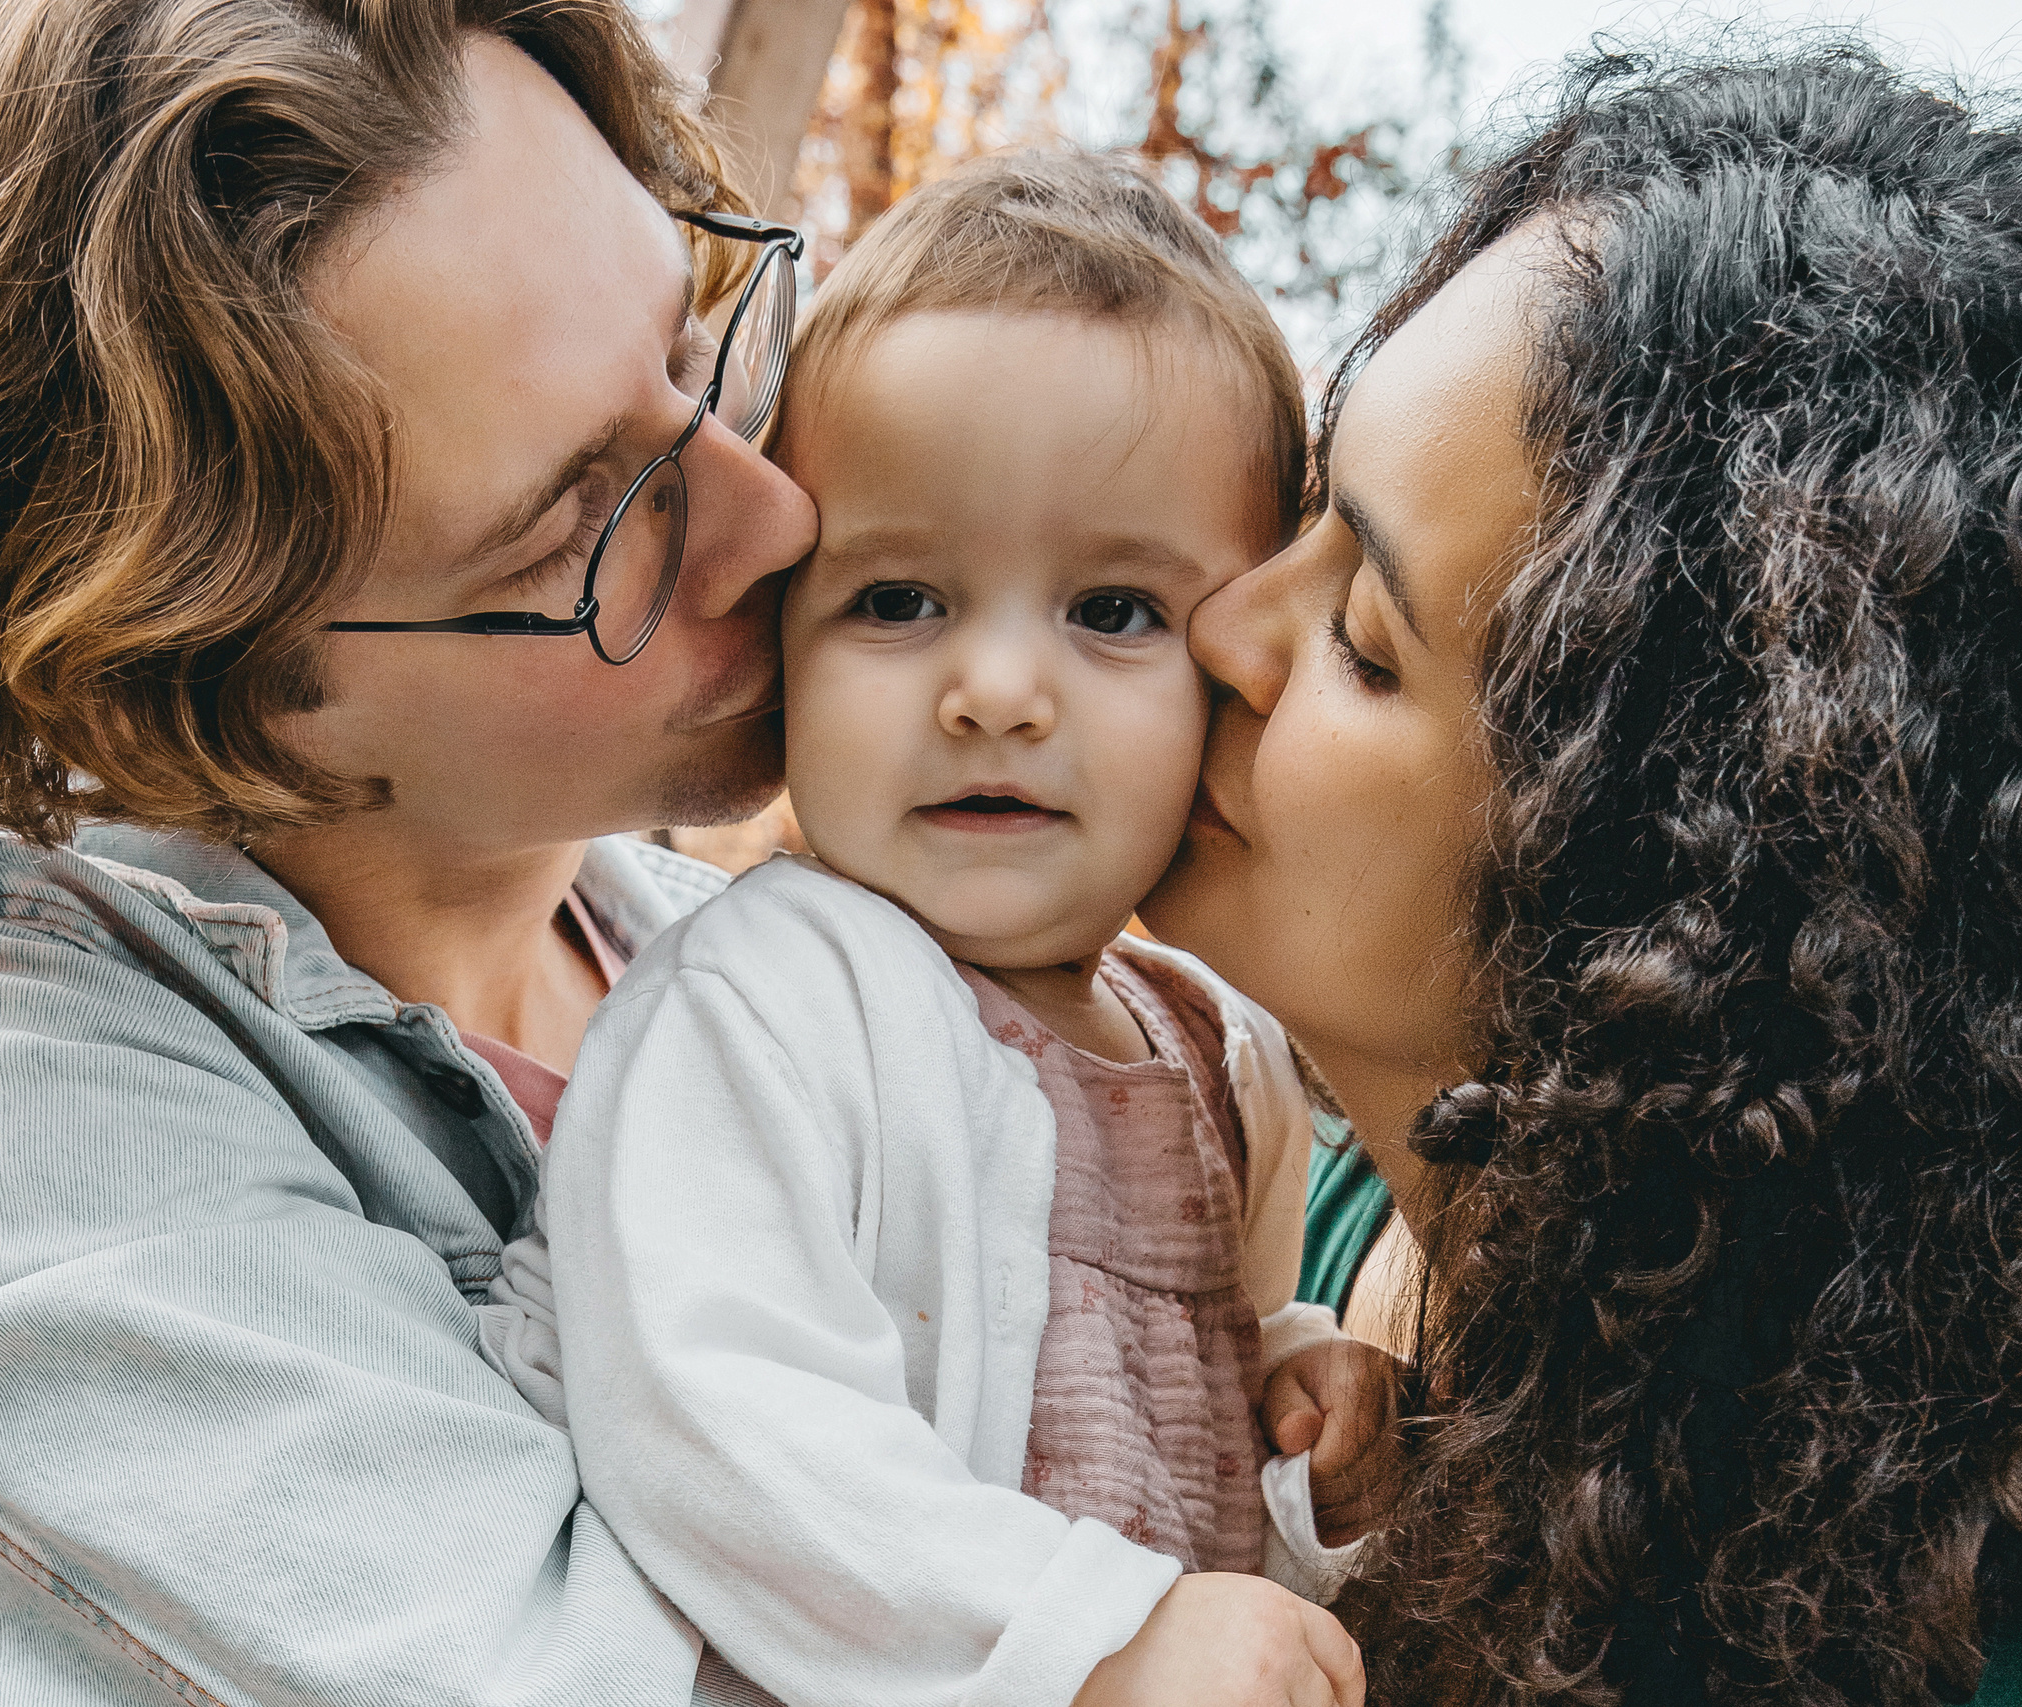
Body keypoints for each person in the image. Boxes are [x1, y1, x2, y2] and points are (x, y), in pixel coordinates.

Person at [0, 0, 1358, 1700]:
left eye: (696, 348)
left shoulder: (826, 964)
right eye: (585, 522)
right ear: (196, 674)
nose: (781, 509)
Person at [1137, 45, 2022, 1706]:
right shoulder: (1260, 1189)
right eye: (1307, 512)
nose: (1222, 628)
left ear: (1650, 875)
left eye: (1359, 636)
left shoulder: (1910, 1634)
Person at [481, 152, 1384, 1707]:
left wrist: (1302, 1418)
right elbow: (715, 1428)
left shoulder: (1218, 1061)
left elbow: (1182, 1478)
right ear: (782, 642)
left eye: (1113, 612)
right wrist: (1077, 1640)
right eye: (899, 601)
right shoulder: (762, 1006)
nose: (995, 692)